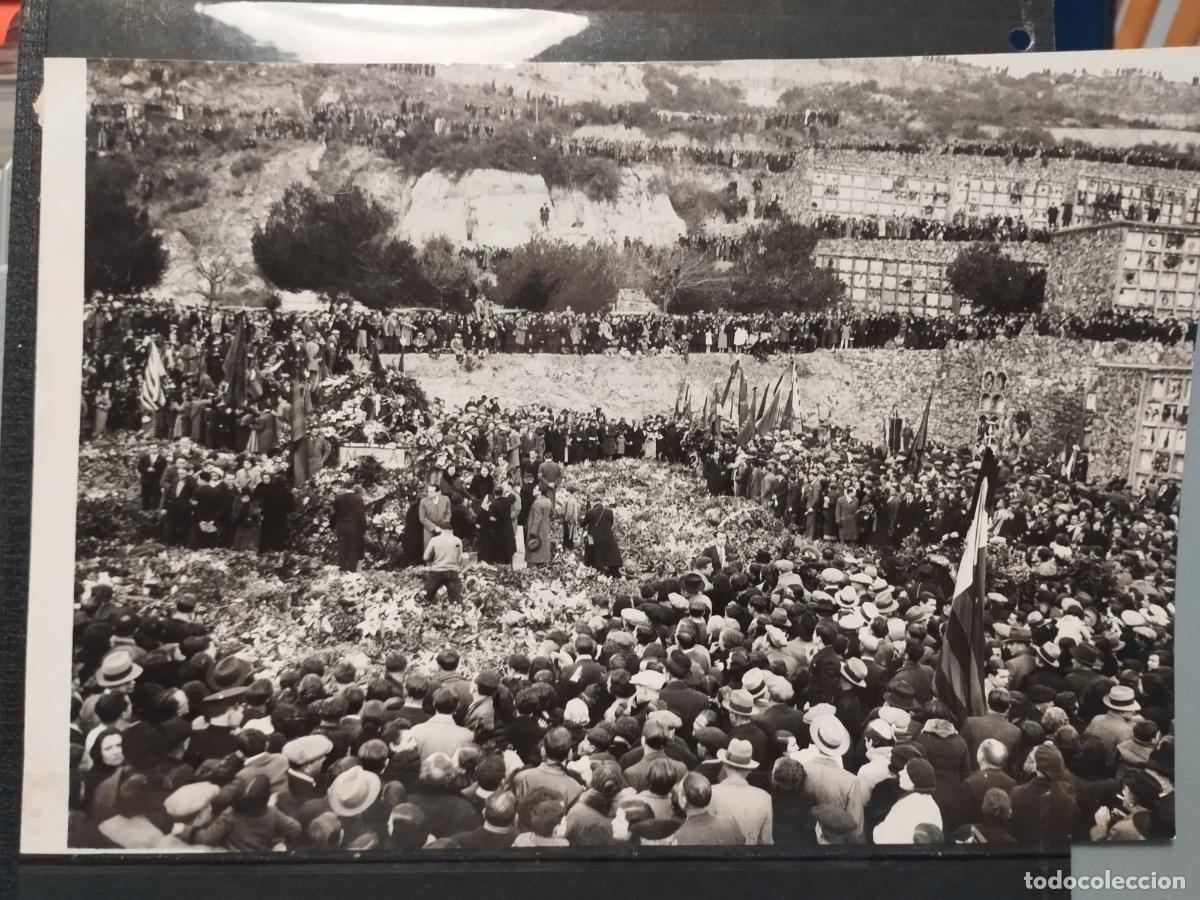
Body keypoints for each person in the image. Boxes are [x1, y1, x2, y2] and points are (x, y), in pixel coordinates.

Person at [331, 483, 368, 572]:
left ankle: (342, 569)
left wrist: (332, 526)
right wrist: (364, 528)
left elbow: (333, 514)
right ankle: (352, 570)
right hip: (353, 528)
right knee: (353, 549)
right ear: (353, 487)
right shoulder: (358, 498)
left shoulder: (338, 498)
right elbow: (360, 515)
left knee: (342, 548)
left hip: (341, 527)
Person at [581, 496, 622, 576]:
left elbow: (583, 523)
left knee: (594, 552)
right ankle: (613, 571)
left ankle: (597, 568)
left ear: (594, 504)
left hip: (595, 539)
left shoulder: (590, 512)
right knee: (609, 553)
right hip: (608, 537)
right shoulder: (609, 512)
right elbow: (611, 524)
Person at [423, 526, 464, 604]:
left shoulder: (434, 540)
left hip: (436, 571)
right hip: (452, 572)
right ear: (452, 530)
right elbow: (459, 559)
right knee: (456, 602)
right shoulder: (458, 541)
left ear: (441, 530)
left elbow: (425, 556)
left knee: (425, 598)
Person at [525, 486, 554, 567]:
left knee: (533, 551)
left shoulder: (537, 503)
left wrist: (532, 533)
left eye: (535, 489)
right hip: (544, 527)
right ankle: (542, 564)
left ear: (540, 491)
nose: (533, 490)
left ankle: (532, 566)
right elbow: (552, 513)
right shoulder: (548, 501)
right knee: (543, 548)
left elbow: (537, 519)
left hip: (536, 529)